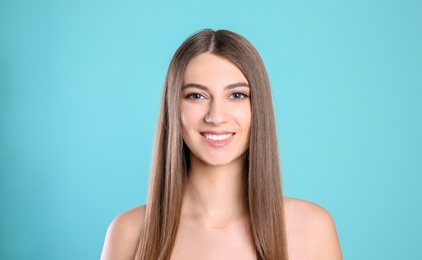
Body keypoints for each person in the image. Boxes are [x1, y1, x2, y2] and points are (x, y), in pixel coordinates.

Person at [101, 29, 342, 260]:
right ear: (173, 107)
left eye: (237, 95)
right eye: (196, 95)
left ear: (258, 107)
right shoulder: (127, 232)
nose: (216, 116)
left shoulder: (312, 229)